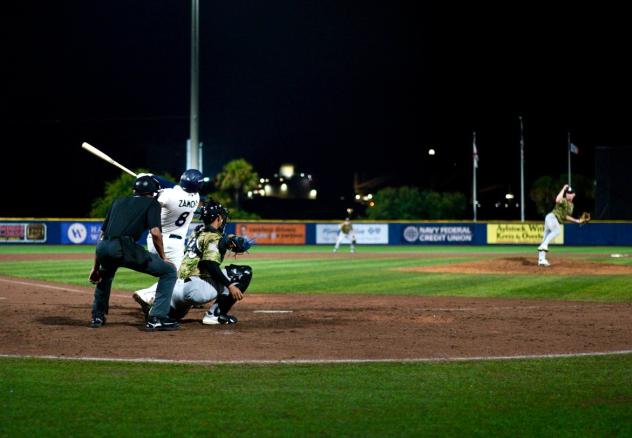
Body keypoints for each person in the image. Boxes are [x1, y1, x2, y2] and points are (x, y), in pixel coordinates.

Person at [134, 200, 251, 325]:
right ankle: (215, 315)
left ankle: (156, 312)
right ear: (218, 218)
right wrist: (230, 286)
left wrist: (228, 240)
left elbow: (212, 237)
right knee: (244, 272)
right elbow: (209, 263)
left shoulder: (197, 230)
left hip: (176, 289)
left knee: (173, 317)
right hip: (195, 289)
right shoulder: (214, 237)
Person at [88, 175, 179, 331]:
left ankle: (97, 316)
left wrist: (95, 267)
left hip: (104, 246)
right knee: (169, 271)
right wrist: (163, 258)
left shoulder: (117, 201)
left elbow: (101, 236)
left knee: (104, 275)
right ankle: (156, 318)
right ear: (153, 192)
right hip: (124, 246)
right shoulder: (153, 203)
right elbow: (156, 233)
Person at [132, 169, 203, 311]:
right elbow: (171, 186)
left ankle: (152, 297)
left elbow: (150, 196)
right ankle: (146, 294)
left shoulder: (168, 195)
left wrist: (148, 180)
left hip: (156, 239)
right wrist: (153, 177)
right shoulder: (196, 197)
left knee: (172, 275)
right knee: (174, 276)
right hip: (172, 244)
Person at [537, 184, 583, 266]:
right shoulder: (564, 200)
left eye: (570, 193)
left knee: (545, 238)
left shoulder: (571, 205)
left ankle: (541, 260)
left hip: (552, 220)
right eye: (567, 192)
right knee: (557, 230)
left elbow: (565, 216)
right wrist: (563, 188)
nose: (568, 194)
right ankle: (543, 246)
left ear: (574, 195)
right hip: (552, 218)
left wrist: (577, 221)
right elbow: (557, 200)